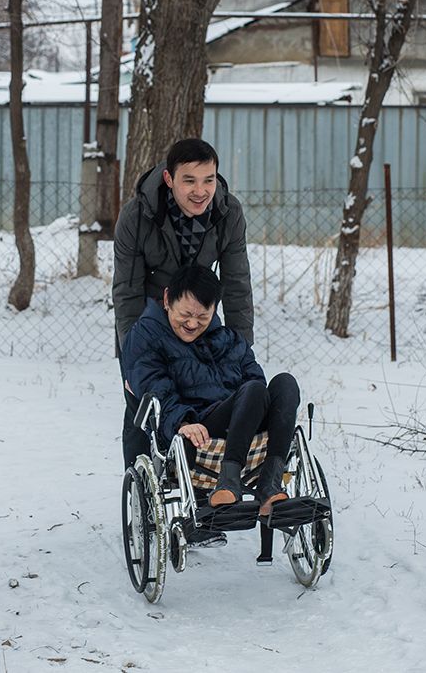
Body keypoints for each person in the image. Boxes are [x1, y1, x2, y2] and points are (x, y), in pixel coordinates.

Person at [113, 138, 253, 472]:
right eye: (189, 180)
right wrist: (133, 356)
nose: (200, 191)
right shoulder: (136, 216)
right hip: (149, 321)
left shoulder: (228, 213)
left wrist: (241, 347)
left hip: (200, 316)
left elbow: (237, 285)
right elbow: (127, 291)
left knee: (209, 398)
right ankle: (141, 484)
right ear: (169, 179)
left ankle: (203, 484)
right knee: (145, 409)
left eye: (208, 180)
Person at [120, 265, 299, 515]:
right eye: (185, 314)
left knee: (285, 383)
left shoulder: (228, 339)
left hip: (244, 421)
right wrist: (182, 422)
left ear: (214, 308)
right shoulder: (146, 335)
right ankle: (228, 482)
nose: (192, 323)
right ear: (167, 300)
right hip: (200, 426)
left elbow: (254, 377)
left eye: (203, 317)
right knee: (254, 390)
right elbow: (154, 386)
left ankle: (270, 484)